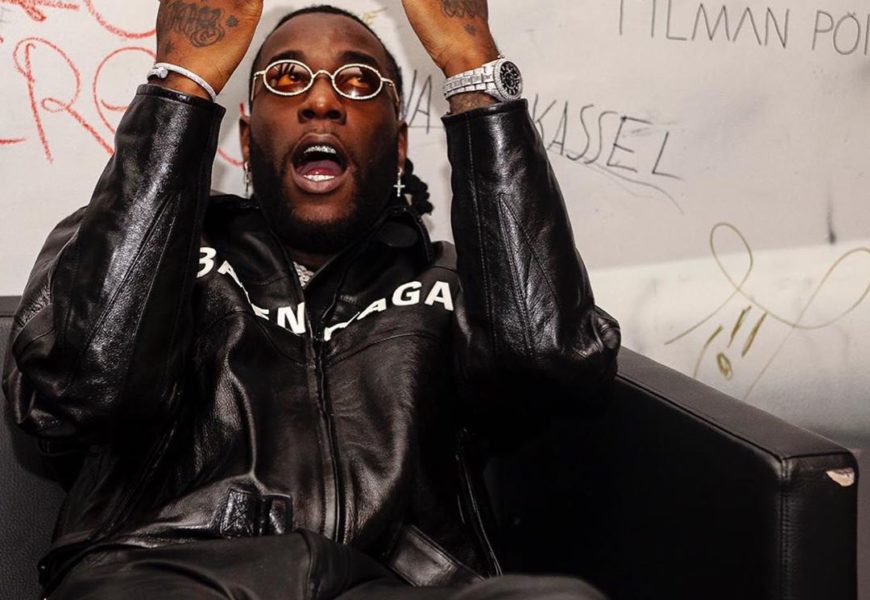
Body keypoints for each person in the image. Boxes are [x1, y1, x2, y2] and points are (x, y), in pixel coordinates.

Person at [2, 1, 620, 598]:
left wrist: (472, 69)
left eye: (358, 81)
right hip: (167, 574)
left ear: (398, 146)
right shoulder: (144, 246)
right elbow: (82, 387)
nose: (322, 101)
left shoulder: (458, 282)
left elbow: (549, 361)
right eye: (288, 78)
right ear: (248, 140)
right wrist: (182, 85)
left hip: (390, 584)